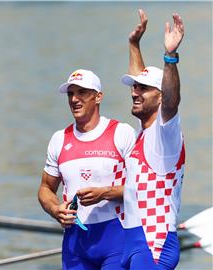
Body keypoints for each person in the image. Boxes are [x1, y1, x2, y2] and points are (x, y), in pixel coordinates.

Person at [38, 69, 136, 269]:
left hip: (117, 238)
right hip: (75, 243)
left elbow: (143, 188)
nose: (74, 99)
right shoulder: (59, 139)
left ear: (98, 96)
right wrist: (55, 209)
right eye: (70, 94)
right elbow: (46, 188)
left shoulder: (122, 133)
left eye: (82, 92)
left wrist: (105, 193)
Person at [120, 10, 185, 270]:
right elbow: (143, 81)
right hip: (133, 243)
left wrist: (170, 57)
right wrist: (134, 45)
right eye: (134, 87)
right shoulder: (144, 131)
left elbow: (171, 101)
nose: (135, 93)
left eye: (143, 89)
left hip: (153, 244)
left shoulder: (165, 134)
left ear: (159, 97)